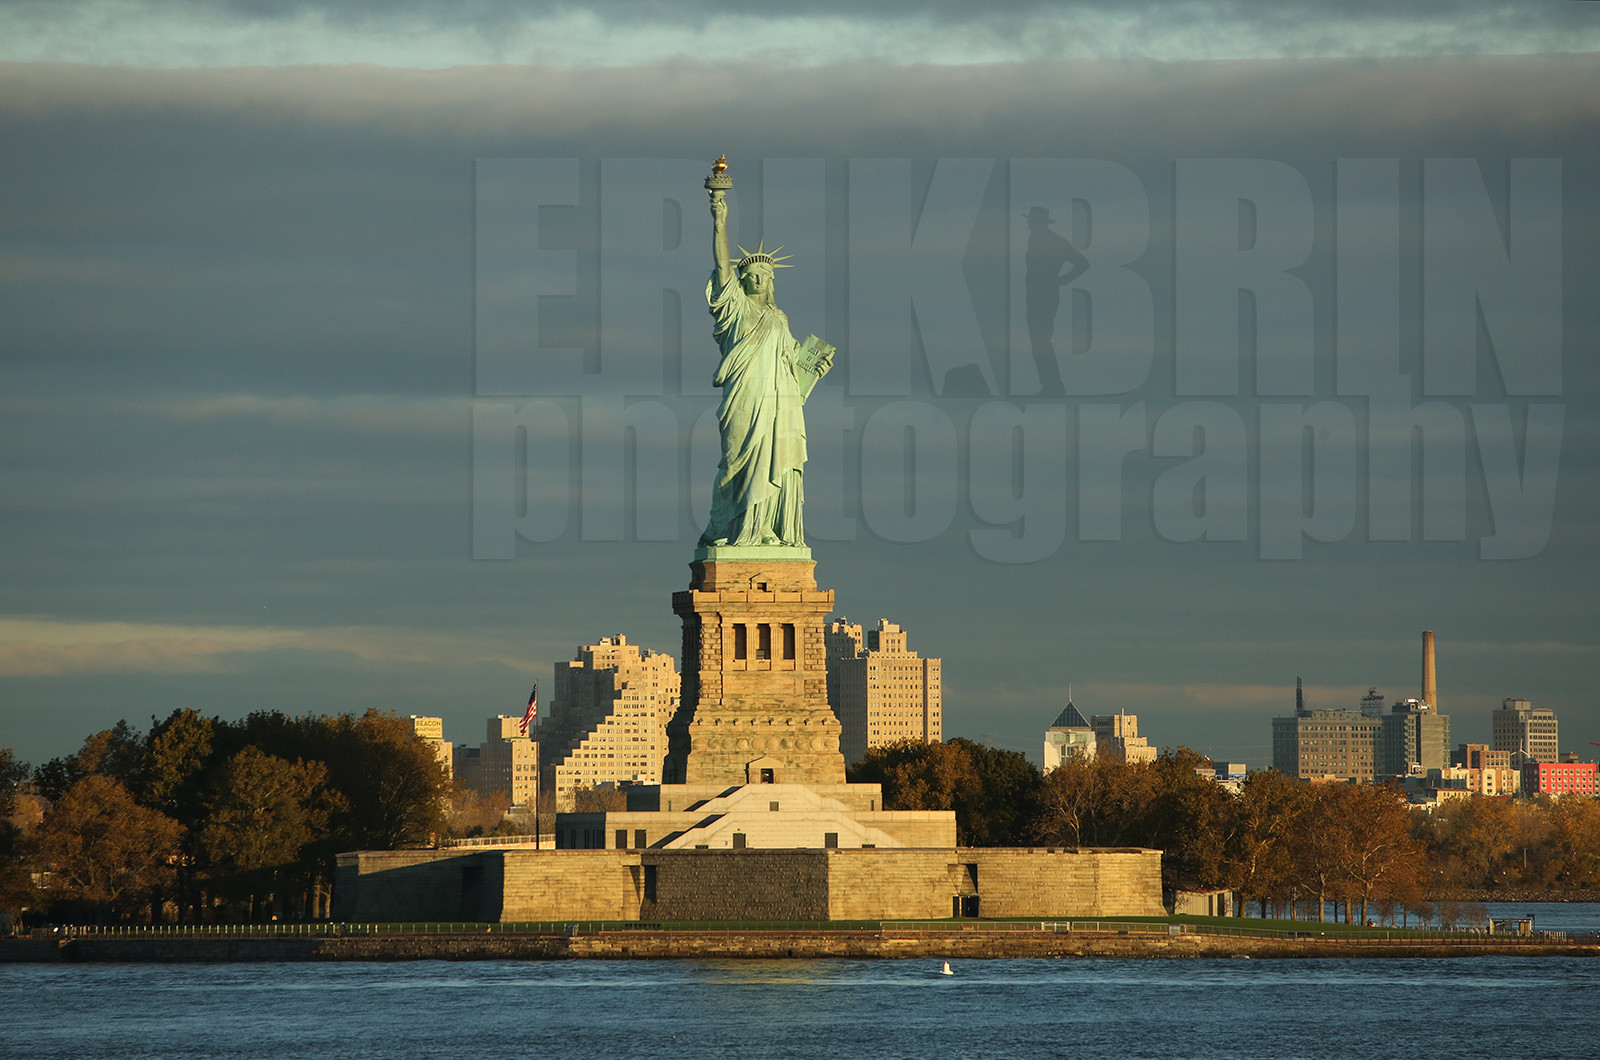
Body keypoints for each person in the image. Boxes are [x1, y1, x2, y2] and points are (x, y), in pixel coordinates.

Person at [698, 180, 831, 548]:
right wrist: (719, 216)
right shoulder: (735, 308)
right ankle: (734, 528)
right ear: (742, 280)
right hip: (745, 396)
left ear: (771, 282)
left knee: (779, 460)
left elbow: (793, 369)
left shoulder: (779, 319)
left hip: (780, 403)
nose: (759, 279)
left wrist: (812, 371)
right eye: (752, 275)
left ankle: (768, 530)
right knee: (735, 461)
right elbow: (721, 265)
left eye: (765, 276)